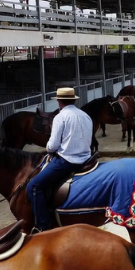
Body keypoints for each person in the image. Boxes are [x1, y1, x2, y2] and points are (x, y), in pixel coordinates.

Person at [26, 87, 93, 233]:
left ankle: (43, 226)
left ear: (59, 101)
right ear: (73, 100)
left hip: (67, 161)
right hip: (87, 159)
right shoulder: (85, 115)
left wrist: (48, 148)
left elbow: (52, 146)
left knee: (34, 186)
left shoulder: (60, 117)